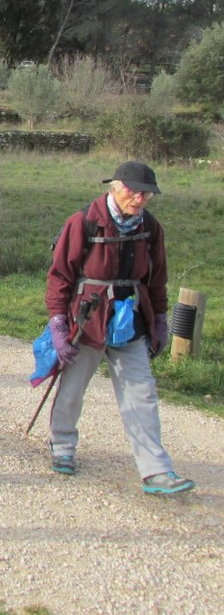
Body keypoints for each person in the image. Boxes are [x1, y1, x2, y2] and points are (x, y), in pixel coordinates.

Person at [46, 161, 194, 495]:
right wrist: (58, 322)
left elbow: (157, 279)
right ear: (114, 186)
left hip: (131, 319)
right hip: (87, 318)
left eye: (147, 194)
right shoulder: (84, 222)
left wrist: (158, 320)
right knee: (72, 386)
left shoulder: (151, 228)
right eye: (133, 190)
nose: (140, 199)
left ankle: (155, 469)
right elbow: (60, 276)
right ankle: (62, 445)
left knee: (141, 392)